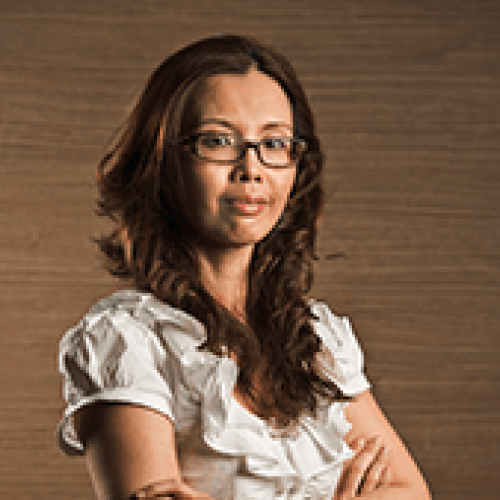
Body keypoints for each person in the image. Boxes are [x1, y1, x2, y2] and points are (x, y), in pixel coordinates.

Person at [56, 34, 432, 500]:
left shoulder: (319, 338)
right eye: (217, 141)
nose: (252, 168)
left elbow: (410, 491)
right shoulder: (124, 340)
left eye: (274, 143)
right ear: (161, 162)